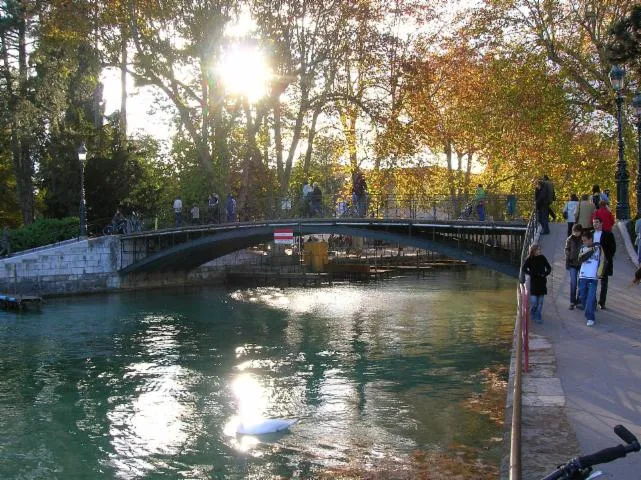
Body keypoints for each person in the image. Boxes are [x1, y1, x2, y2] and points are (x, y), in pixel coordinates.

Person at [577, 229, 606, 326]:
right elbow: (580, 259)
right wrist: (591, 249)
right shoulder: (583, 248)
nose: (583, 242)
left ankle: (590, 317)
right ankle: (590, 308)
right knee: (583, 297)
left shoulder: (599, 248)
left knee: (590, 298)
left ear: (590, 239)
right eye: (582, 240)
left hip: (593, 277)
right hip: (583, 276)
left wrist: (600, 273)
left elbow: (603, 261)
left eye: (585, 240)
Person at [521, 244, 552, 324]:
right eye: (538, 250)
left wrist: (545, 274)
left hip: (542, 281)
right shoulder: (529, 259)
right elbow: (524, 268)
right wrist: (530, 273)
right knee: (534, 302)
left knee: (540, 301)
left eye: (540, 249)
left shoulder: (542, 258)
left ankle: (538, 316)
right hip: (534, 282)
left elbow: (549, 268)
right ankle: (532, 313)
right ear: (533, 250)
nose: (539, 251)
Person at [592, 217, 615, 310]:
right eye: (594, 222)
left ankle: (602, 302)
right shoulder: (590, 234)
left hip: (603, 261)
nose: (595, 224)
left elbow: (613, 248)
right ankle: (593, 302)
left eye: (597, 222)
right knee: (592, 282)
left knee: (604, 283)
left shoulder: (608, 234)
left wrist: (607, 258)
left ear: (601, 223)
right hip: (593, 261)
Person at [565, 223, 583, 310]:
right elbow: (566, 249)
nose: (575, 233)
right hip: (572, 263)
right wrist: (569, 255)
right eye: (574, 232)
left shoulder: (583, 239)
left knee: (581, 283)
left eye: (577, 232)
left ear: (580, 232)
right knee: (573, 283)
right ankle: (572, 301)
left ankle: (579, 301)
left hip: (581, 264)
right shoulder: (570, 239)